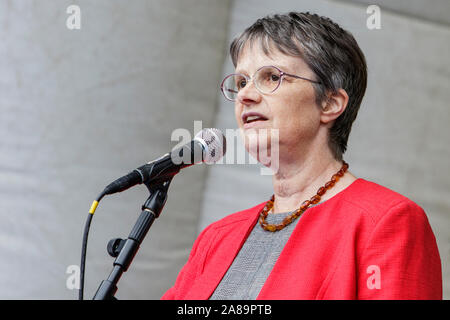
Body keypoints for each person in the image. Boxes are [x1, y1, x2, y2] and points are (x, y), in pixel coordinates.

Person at [161, 12, 442, 300]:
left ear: (330, 103)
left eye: (271, 77)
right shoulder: (216, 237)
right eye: (242, 82)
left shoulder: (385, 222)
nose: (245, 95)